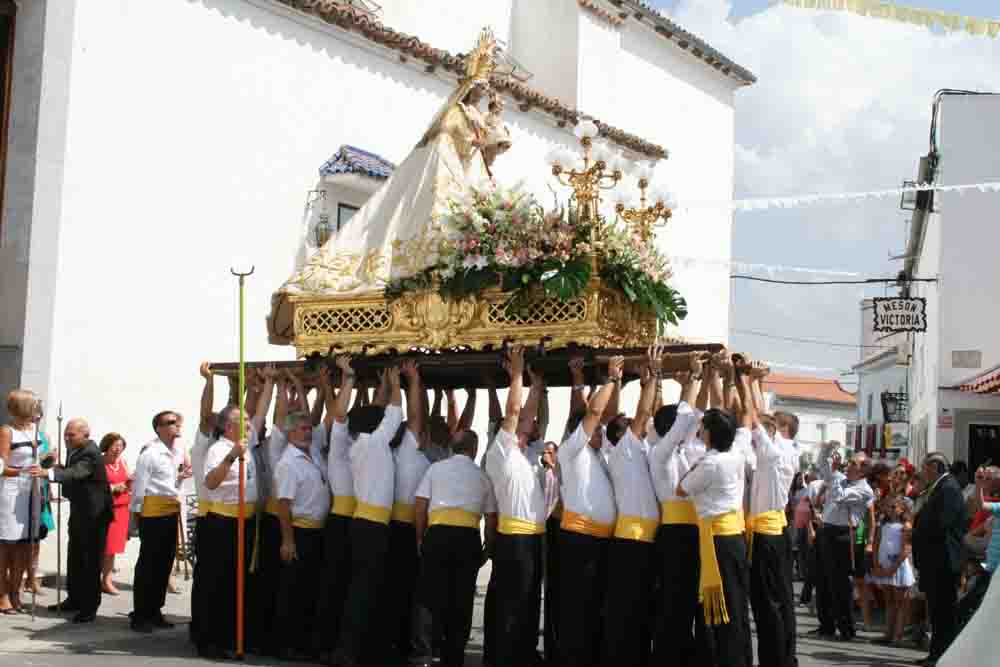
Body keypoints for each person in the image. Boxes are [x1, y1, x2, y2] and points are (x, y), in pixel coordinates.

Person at [484, 346, 557, 667]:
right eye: (523, 421)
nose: (529, 421)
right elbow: (515, 411)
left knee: (528, 601)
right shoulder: (501, 451)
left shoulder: (529, 454)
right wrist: (516, 372)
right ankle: (502, 657)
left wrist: (536, 384)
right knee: (511, 604)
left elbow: (529, 414)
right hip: (513, 539)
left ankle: (523, 655)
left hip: (533, 539)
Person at [332, 358, 403, 667]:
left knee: (362, 589)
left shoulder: (362, 442)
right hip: (372, 527)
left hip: (364, 524)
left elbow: (379, 413)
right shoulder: (374, 443)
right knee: (364, 591)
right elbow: (394, 413)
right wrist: (396, 382)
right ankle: (351, 652)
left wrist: (384, 386)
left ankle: (355, 649)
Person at [410, 424, 498, 667]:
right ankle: (454, 656)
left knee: (428, 596)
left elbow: (420, 505)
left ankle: (424, 653)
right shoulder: (483, 477)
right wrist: (487, 548)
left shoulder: (435, 469)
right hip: (467, 538)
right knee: (461, 599)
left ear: (452, 447)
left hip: (437, 534)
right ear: (474, 449)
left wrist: (420, 537)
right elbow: (491, 519)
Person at [555, 356, 621, 667]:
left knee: (596, 606)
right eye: (595, 431)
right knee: (577, 609)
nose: (601, 433)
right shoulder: (572, 451)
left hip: (601, 542)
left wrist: (590, 381)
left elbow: (603, 415)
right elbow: (593, 412)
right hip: (580, 539)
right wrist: (610, 379)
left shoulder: (599, 454)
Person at [677, 405, 753, 667]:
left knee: (722, 609)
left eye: (704, 427)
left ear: (710, 433)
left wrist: (694, 464)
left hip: (718, 539)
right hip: (734, 535)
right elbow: (745, 424)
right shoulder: (736, 454)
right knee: (737, 605)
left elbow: (681, 489)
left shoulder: (710, 463)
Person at [604, 349, 662, 667]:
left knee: (639, 606)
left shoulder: (634, 450)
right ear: (622, 434)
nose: (637, 426)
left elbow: (647, 416)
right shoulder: (624, 448)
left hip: (642, 540)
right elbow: (642, 414)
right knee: (627, 608)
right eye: (627, 425)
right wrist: (650, 376)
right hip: (632, 540)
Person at [740, 371, 799, 667]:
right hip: (775, 530)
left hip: (766, 535)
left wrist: (744, 381)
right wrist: (755, 382)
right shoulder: (785, 450)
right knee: (782, 602)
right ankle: (785, 658)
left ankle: (775, 660)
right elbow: (761, 417)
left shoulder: (771, 452)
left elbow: (755, 417)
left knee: (769, 606)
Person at [649, 356, 705, 667]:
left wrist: (693, 384)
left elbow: (692, 420)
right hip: (674, 534)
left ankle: (685, 653)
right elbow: (685, 421)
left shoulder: (683, 450)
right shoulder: (661, 453)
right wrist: (694, 379)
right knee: (673, 600)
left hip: (692, 532)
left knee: (688, 601)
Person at [35, 417, 113, 623]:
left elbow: (79, 472)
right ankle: (75, 599)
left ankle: (89, 606)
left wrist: (50, 473)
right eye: (65, 434)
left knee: (90, 561)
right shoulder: (76, 450)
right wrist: (54, 464)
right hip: (80, 511)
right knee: (75, 557)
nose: (67, 438)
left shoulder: (90, 452)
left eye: (71, 435)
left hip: (95, 515)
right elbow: (70, 470)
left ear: (85, 435)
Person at [196, 405, 259, 659]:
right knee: (217, 582)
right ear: (229, 426)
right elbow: (211, 482)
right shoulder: (219, 449)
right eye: (242, 420)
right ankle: (209, 639)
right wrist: (232, 456)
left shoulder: (246, 442)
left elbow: (261, 412)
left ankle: (231, 635)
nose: (248, 423)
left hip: (246, 520)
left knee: (238, 582)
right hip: (223, 521)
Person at [272, 410, 330, 661]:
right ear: (290, 432)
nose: (308, 433)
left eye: (309, 428)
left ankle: (304, 642)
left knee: (308, 590)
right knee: (293, 591)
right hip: (299, 531)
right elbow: (283, 504)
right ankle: (286, 644)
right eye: (303, 429)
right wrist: (288, 540)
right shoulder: (288, 463)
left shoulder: (312, 453)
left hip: (316, 531)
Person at [386, 361, 430, 661]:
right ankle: (401, 645)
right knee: (407, 591)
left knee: (393, 588)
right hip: (406, 529)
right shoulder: (407, 453)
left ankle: (394, 643)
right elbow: (415, 416)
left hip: (390, 526)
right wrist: (410, 381)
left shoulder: (383, 450)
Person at [129, 411, 188, 633]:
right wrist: (135, 518)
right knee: (148, 564)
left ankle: (155, 610)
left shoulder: (176, 452)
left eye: (177, 422)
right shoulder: (150, 453)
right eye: (171, 423)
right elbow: (140, 487)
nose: (177, 426)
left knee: (164, 564)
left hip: (169, 510)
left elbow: (170, 482)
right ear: (159, 428)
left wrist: (180, 479)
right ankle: (140, 614)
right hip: (152, 512)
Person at [912, 452, 969, 666]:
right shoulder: (939, 488)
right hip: (935, 560)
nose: (922, 472)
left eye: (925, 467)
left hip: (944, 561)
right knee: (936, 611)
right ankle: (936, 654)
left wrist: (918, 532)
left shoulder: (949, 489)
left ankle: (943, 656)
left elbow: (942, 523)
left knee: (944, 612)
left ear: (935, 467)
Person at [814, 447, 875, 641]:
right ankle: (826, 625)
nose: (847, 466)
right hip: (827, 530)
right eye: (848, 463)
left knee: (840, 584)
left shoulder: (864, 489)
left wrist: (834, 475)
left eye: (853, 464)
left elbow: (840, 498)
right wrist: (825, 451)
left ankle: (846, 628)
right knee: (823, 580)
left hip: (843, 535)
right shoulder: (840, 478)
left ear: (863, 470)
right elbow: (822, 468)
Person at [0, 389, 48, 614]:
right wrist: (22, 471)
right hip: (11, 494)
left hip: (32, 491)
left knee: (24, 547)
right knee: (7, 547)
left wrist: (47, 462)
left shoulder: (36, 431)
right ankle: (2, 594)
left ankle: (15, 591)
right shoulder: (7, 431)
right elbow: (1, 467)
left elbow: (40, 459)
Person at [867, 496, 915, 645]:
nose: (891, 509)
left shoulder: (905, 526)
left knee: (900, 601)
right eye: (888, 506)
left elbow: (906, 549)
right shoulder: (883, 524)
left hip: (898, 567)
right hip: (884, 564)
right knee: (889, 601)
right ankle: (888, 633)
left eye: (894, 507)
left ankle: (897, 635)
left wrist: (894, 568)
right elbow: (876, 543)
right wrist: (876, 563)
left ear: (902, 509)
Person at [100, 433, 130, 595]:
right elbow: (97, 486)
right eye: (115, 445)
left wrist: (129, 483)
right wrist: (113, 488)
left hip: (122, 509)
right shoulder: (101, 463)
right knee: (105, 546)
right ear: (107, 446)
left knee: (113, 549)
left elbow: (128, 480)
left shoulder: (123, 463)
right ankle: (102, 579)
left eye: (120, 446)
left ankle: (107, 579)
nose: (118, 449)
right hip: (108, 509)